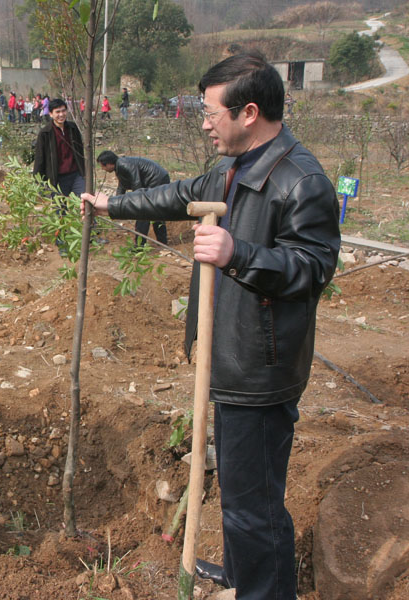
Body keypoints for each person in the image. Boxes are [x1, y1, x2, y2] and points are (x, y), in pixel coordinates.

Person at [82, 51, 340, 600]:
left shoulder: (301, 180)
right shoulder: (231, 168)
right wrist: (114, 204)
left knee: (254, 502)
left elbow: (313, 269)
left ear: (249, 112)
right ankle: (247, 575)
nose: (202, 121)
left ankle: (264, 591)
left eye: (208, 111)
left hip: (259, 367)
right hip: (229, 355)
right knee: (241, 493)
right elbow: (179, 195)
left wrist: (238, 253)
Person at [97, 150, 169, 246]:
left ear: (109, 164)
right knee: (154, 211)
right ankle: (161, 242)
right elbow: (122, 186)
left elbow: (136, 182)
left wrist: (137, 203)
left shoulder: (123, 164)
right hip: (156, 179)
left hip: (157, 180)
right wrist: (115, 205)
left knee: (144, 212)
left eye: (103, 166)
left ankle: (140, 246)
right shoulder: (120, 166)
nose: (103, 169)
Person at [33, 98, 85, 197]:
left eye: (63, 111)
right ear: (51, 114)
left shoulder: (72, 128)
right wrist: (39, 183)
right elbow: (40, 159)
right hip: (57, 178)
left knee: (82, 204)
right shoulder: (45, 133)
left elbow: (80, 151)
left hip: (76, 175)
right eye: (57, 112)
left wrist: (84, 172)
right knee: (61, 210)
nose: (61, 115)